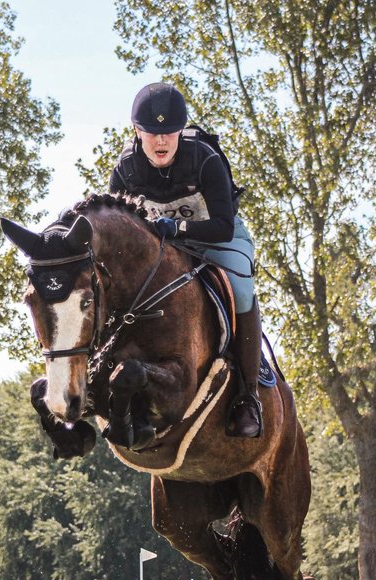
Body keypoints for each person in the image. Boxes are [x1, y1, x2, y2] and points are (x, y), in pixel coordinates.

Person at [108, 82, 263, 438]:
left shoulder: (204, 158)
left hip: (217, 240)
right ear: (136, 131)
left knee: (240, 287)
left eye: (169, 133)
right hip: (163, 249)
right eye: (151, 134)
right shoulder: (126, 170)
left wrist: (177, 227)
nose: (161, 142)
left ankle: (247, 395)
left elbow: (223, 227)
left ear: (180, 131)